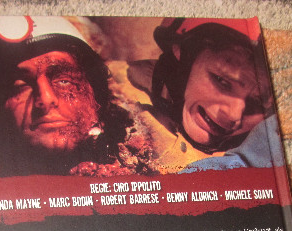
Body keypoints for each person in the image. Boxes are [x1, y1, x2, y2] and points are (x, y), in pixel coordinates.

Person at [0, 16, 131, 190]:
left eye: (64, 81)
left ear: (95, 91)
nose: (46, 100)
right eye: (19, 86)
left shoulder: (142, 142)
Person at [112, 18, 281, 172]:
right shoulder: (109, 89)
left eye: (257, 103)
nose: (233, 115)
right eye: (222, 81)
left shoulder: (268, 152)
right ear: (183, 52)